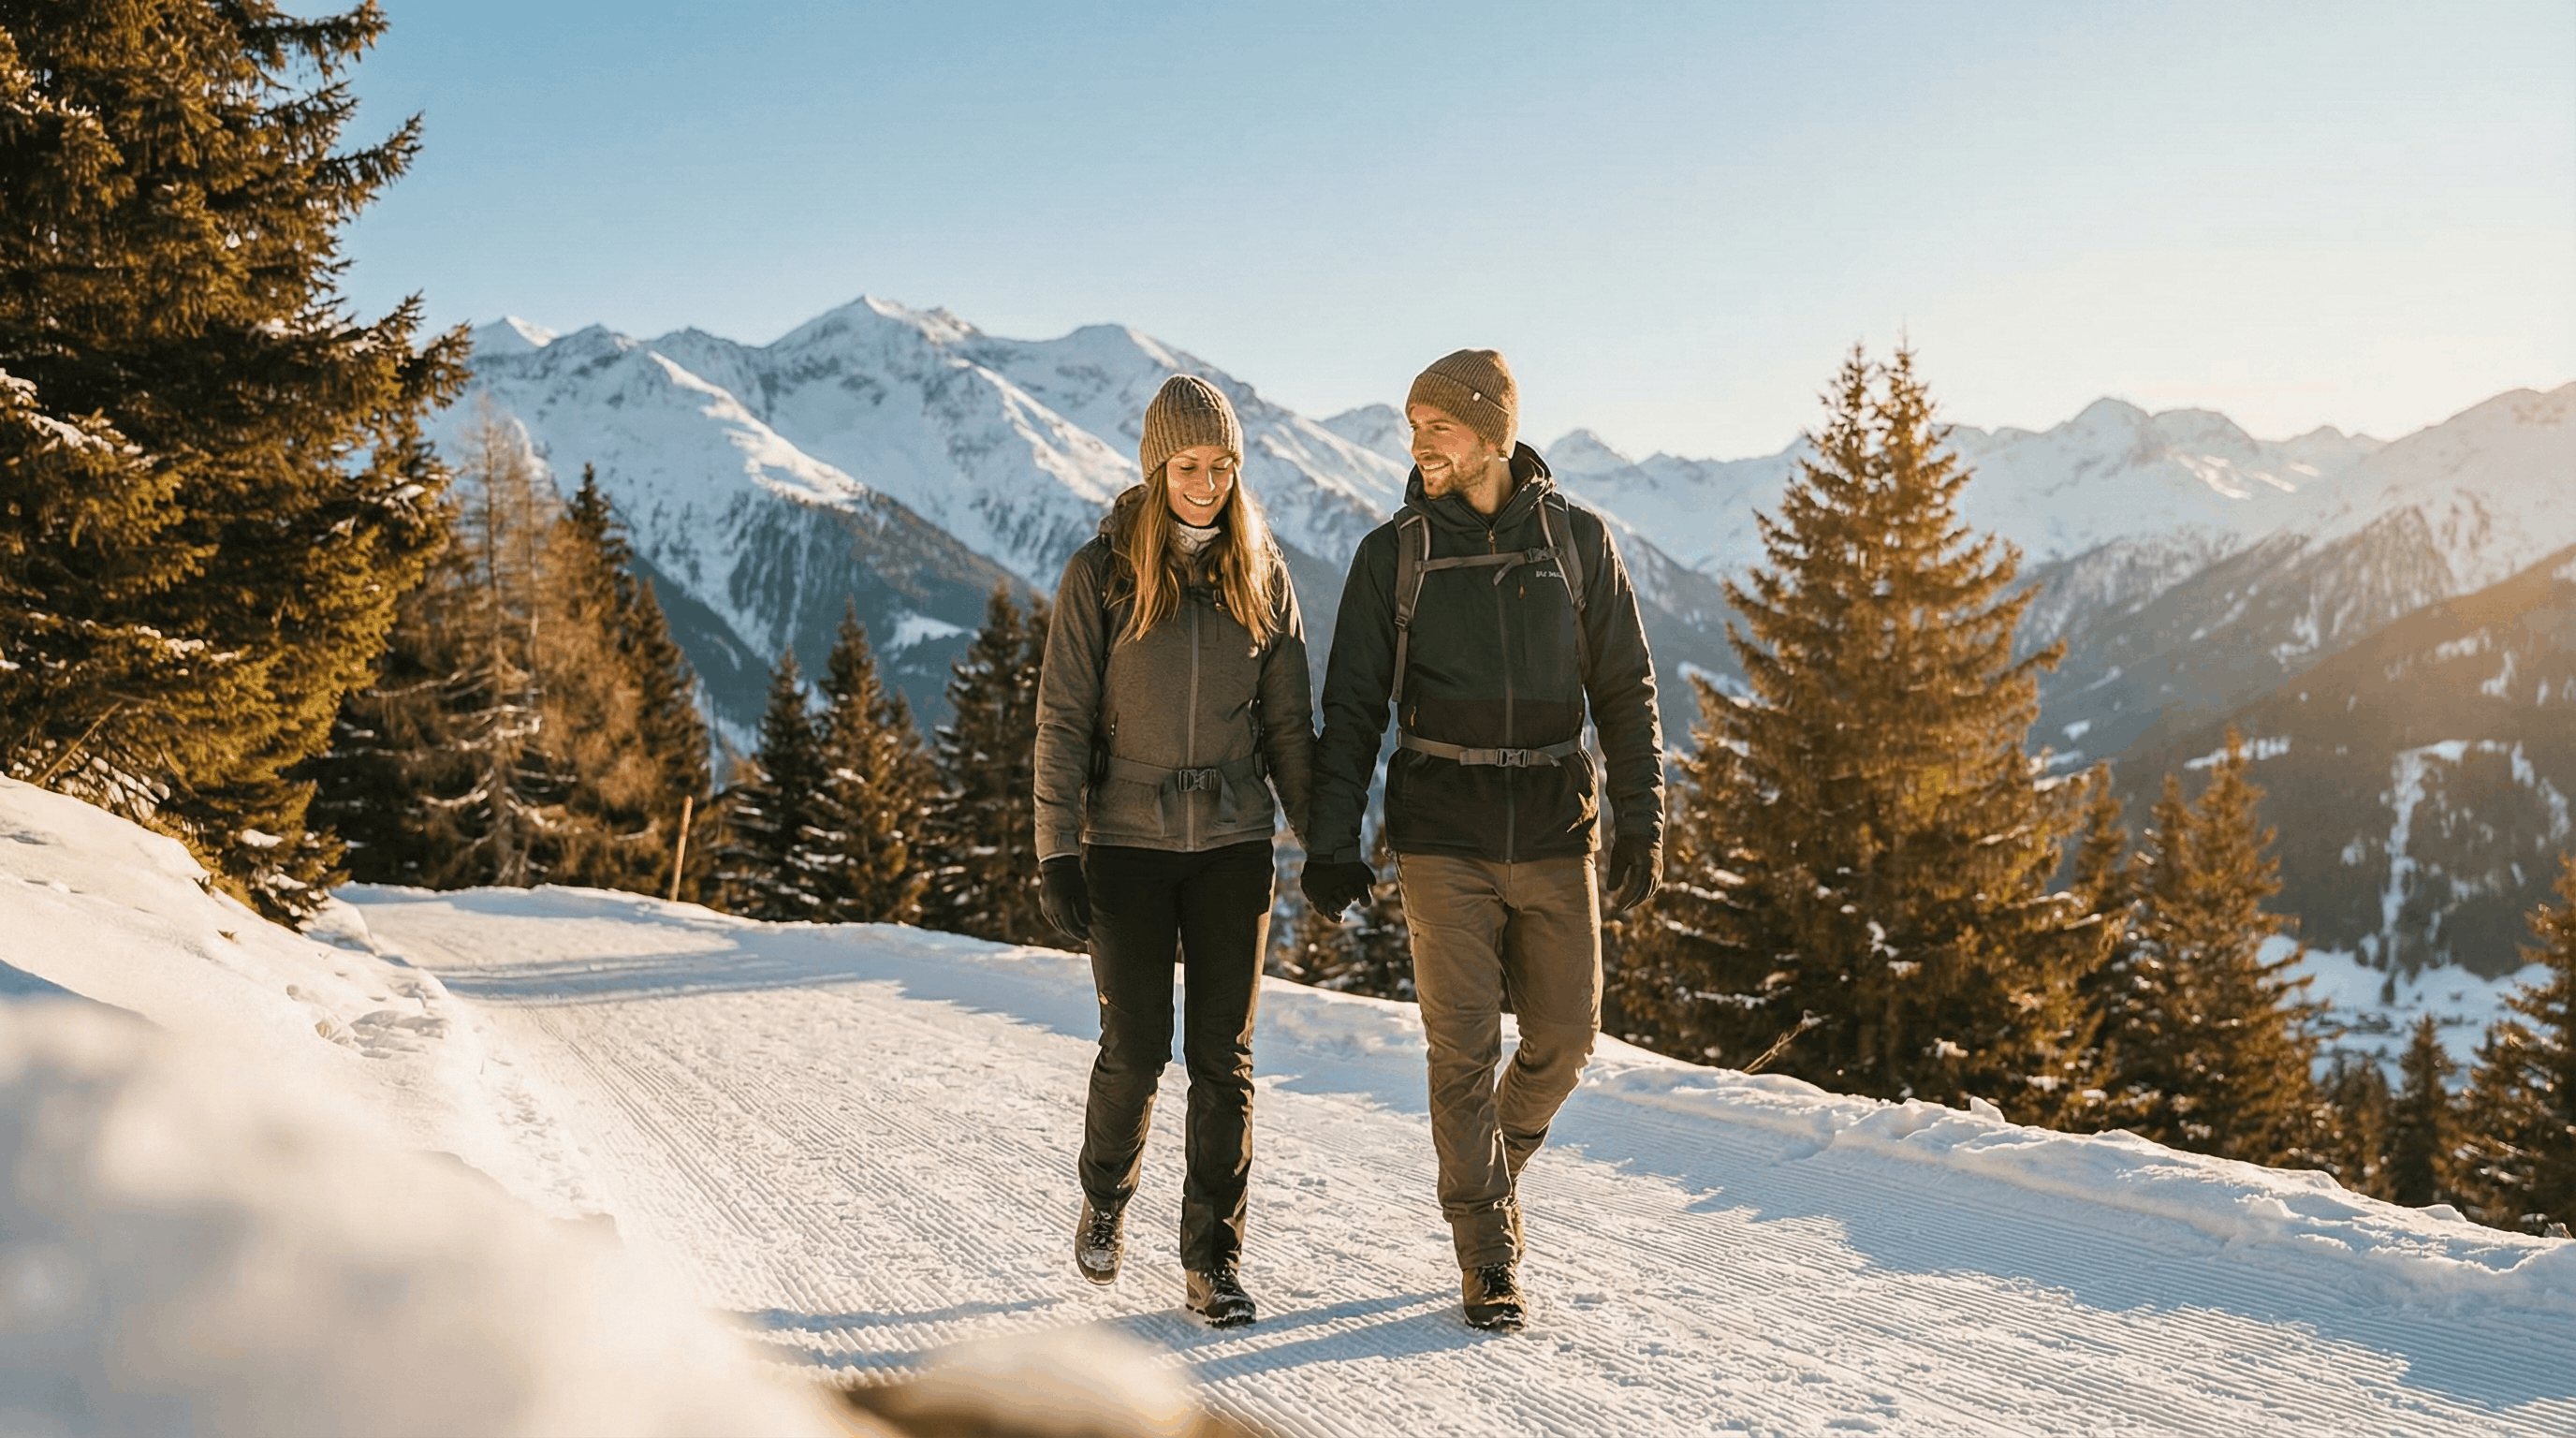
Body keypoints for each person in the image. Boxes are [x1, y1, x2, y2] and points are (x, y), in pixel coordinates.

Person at [1301, 348, 1663, 1331]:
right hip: (1440, 835)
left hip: (1555, 827)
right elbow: (1352, 707)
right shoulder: (1394, 554)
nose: (1420, 443)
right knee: (1460, 1051)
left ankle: (1487, 1170)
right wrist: (1332, 842)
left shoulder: (1577, 542)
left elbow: (1625, 690)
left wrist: (1642, 817)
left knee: (1567, 1040)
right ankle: (1487, 1255)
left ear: (1493, 435)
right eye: (1413, 426)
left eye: (1441, 426)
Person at [1032, 374, 1315, 1329]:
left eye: (1222, 466)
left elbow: (1290, 729)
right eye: (1188, 466)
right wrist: (1056, 851)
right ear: (1157, 469)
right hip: (1126, 843)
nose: (1206, 485)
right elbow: (1062, 722)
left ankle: (1213, 1262)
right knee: (1136, 1048)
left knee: (1223, 1061)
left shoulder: (1261, 572)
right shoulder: (1102, 573)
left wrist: (1324, 841)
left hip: (1233, 842)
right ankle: (1106, 1193)